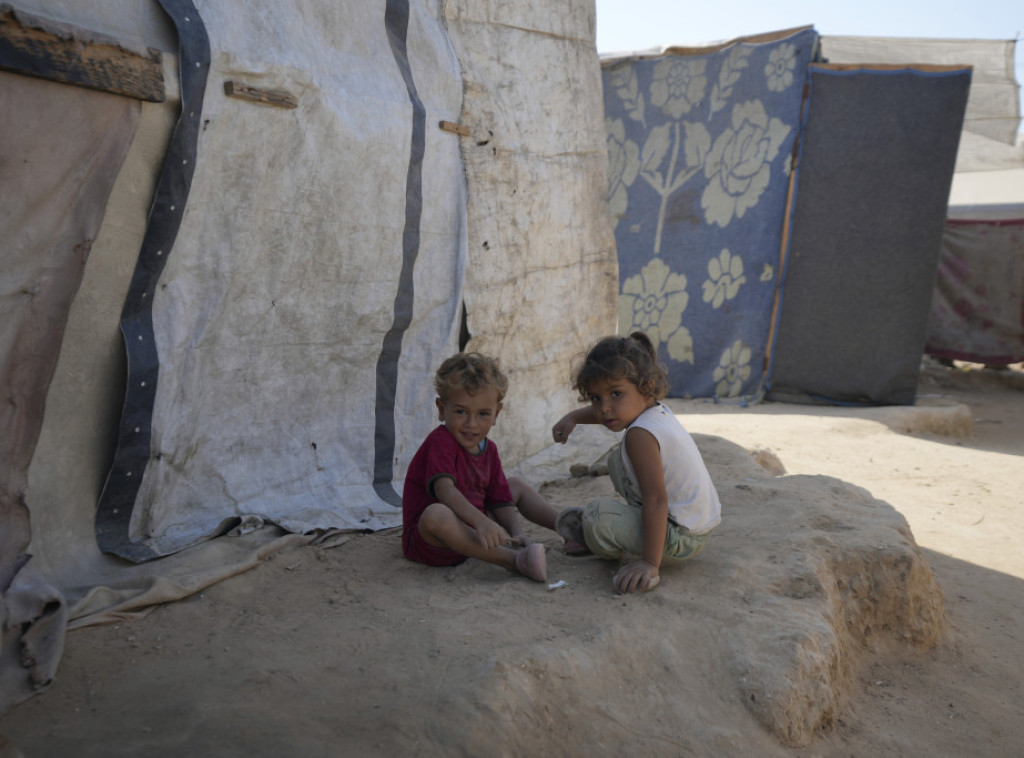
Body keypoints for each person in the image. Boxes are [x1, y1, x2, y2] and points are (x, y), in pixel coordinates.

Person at [551, 332, 721, 593]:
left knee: (597, 516)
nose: (604, 408)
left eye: (615, 394)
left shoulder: (640, 436)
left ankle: (595, 538)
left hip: (679, 538)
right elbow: (613, 414)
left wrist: (649, 565)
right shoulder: (655, 411)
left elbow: (656, 500)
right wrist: (574, 417)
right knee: (617, 462)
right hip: (698, 526)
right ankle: (634, 526)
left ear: (647, 388)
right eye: (596, 398)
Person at [402, 351, 562, 582]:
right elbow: (444, 491)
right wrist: (482, 522)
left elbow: (499, 498)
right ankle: (514, 561)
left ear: (497, 413)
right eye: (460, 412)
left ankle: (567, 526)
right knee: (436, 514)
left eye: (483, 414)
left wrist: (515, 534)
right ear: (440, 409)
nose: (471, 424)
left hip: (474, 532)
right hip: (432, 541)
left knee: (514, 485)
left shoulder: (490, 449)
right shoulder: (441, 441)